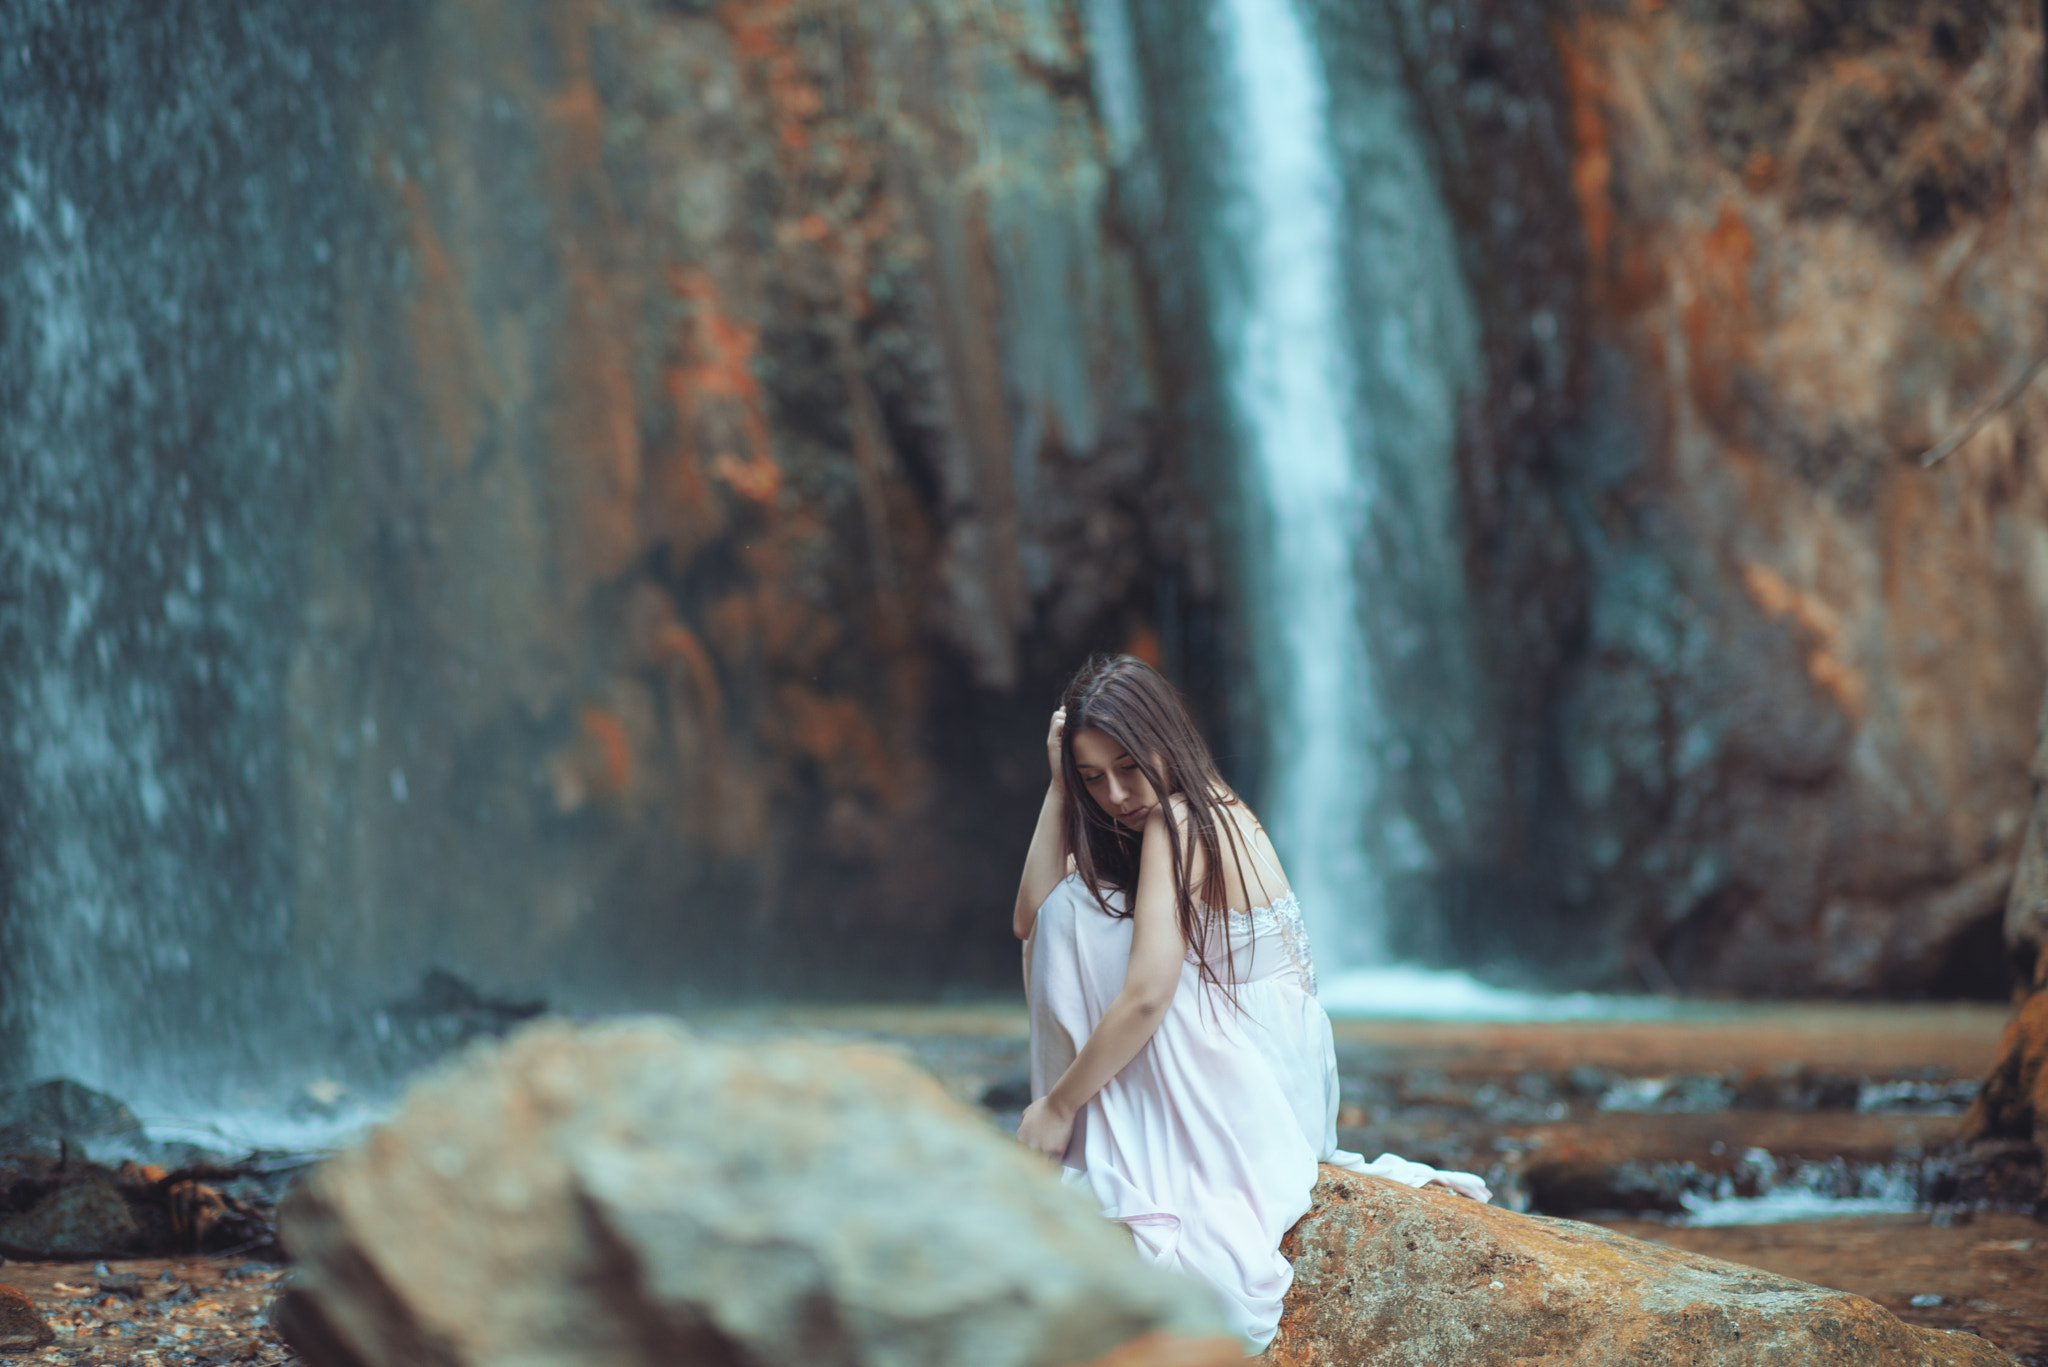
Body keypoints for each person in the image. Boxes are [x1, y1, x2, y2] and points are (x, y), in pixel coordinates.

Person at [1012, 653, 1490, 1352]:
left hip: (1254, 1087)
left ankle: (1076, 1140)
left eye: (1125, 767)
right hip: (1285, 1074)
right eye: (1092, 777)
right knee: (1068, 911)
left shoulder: (1178, 823)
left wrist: (1058, 1103)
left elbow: (1144, 993)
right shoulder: (1209, 804)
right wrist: (1059, 788)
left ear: (1163, 738)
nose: (1113, 794)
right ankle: (1090, 1133)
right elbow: (1029, 913)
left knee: (1074, 919)